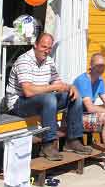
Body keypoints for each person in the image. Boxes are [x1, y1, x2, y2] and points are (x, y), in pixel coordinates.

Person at [5, 33, 92, 161]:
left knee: (74, 96)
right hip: (19, 103)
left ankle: (73, 140)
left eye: (49, 48)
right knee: (49, 98)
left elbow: (57, 82)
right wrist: (52, 88)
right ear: (35, 45)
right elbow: (28, 91)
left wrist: (70, 87)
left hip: (41, 100)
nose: (46, 51)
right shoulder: (24, 61)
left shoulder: (49, 61)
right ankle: (48, 144)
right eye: (43, 47)